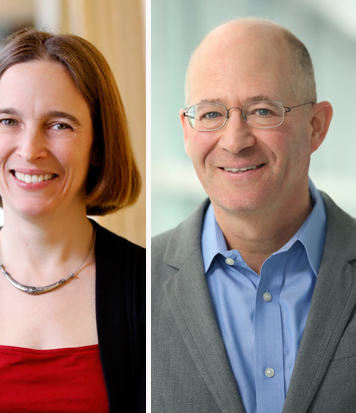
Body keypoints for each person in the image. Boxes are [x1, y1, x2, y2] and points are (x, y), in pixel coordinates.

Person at [151, 17, 356, 412]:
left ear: (317, 126)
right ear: (187, 131)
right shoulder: (141, 280)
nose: (235, 141)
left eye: (262, 111)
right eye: (211, 114)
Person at [0, 28, 145, 412]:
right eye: (9, 122)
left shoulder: (149, 290)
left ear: (99, 144)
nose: (30, 149)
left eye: (59, 125)